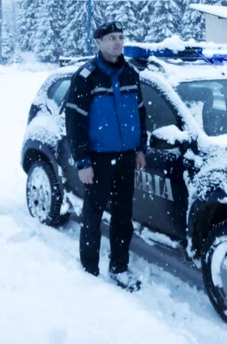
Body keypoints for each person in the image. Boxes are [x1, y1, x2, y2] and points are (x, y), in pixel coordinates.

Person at [64, 21, 147, 292]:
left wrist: (140, 148)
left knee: (123, 216)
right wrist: (83, 161)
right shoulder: (86, 77)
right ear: (98, 42)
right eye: (111, 38)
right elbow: (74, 122)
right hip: (98, 159)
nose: (118, 42)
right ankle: (89, 270)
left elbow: (141, 114)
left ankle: (119, 267)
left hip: (125, 157)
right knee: (93, 215)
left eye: (121, 37)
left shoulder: (131, 74)